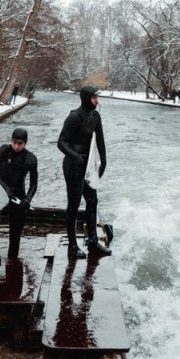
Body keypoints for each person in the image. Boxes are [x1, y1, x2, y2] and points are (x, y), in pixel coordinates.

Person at [57, 84, 110, 259]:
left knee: (92, 201)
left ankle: (93, 242)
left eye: (97, 97)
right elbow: (61, 142)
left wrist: (103, 161)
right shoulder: (74, 117)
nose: (97, 100)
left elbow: (100, 140)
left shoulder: (95, 116)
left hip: (88, 166)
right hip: (73, 165)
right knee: (73, 205)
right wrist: (74, 155)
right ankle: (72, 246)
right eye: (94, 97)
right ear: (87, 98)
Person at [0, 126, 38, 263]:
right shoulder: (4, 150)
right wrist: (5, 188)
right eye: (14, 142)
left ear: (25, 143)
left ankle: (13, 257)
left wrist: (28, 199)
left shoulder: (30, 159)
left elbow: (34, 183)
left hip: (18, 195)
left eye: (19, 144)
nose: (15, 146)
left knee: (15, 232)